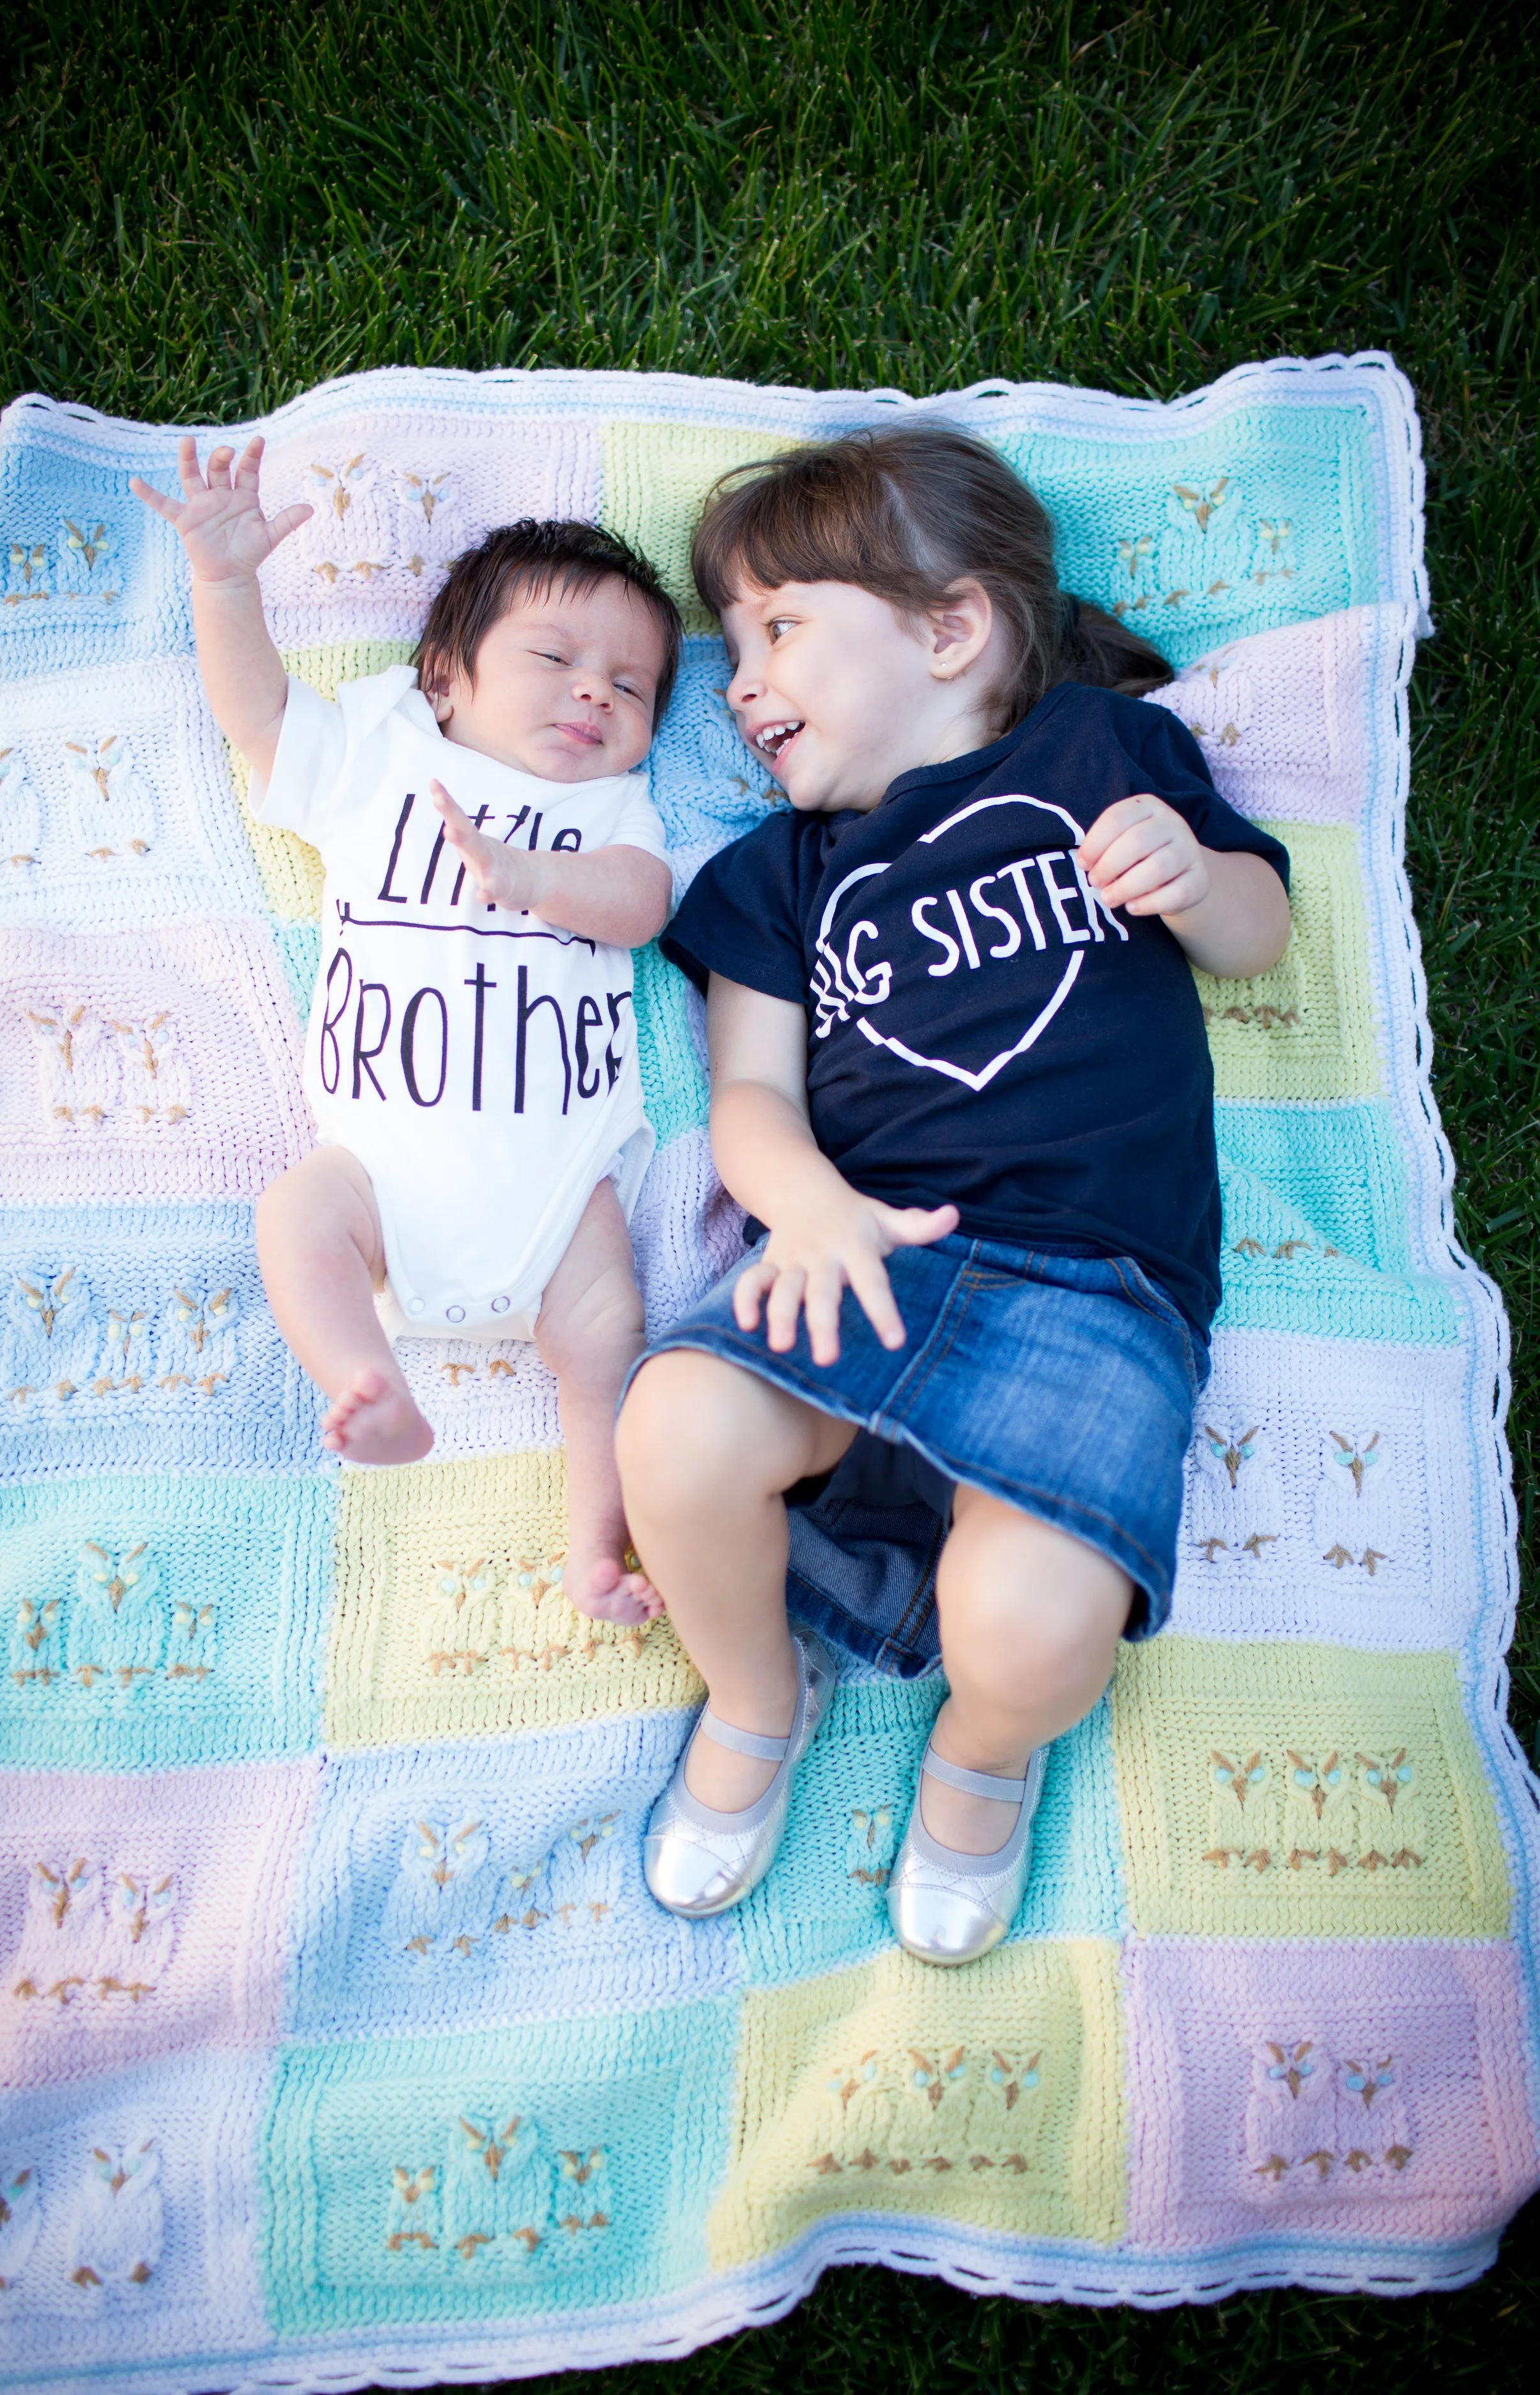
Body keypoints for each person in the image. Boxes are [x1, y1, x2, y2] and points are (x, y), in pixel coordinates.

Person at [615, 421, 1292, 1958]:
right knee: (676, 1428)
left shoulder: (1101, 759)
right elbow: (748, 1098)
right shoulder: (777, 879)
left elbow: (1255, 932)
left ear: (948, 629)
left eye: (780, 627)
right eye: (730, 645)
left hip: (1091, 1289)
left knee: (1034, 1625)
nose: (738, 681)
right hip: (864, 1253)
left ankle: (983, 1758)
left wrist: (1193, 875)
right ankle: (753, 1695)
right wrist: (806, 1207)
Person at [132, 439, 680, 1624]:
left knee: (606, 1335)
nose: (595, 691)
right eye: (555, 657)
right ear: (443, 679)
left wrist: (531, 876)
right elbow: (260, 715)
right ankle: (365, 1380)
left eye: (632, 687)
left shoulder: (608, 808)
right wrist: (225, 583)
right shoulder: (380, 756)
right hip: (382, 1171)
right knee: (297, 1212)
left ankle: (598, 1543)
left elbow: (643, 906)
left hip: (556, 1182)